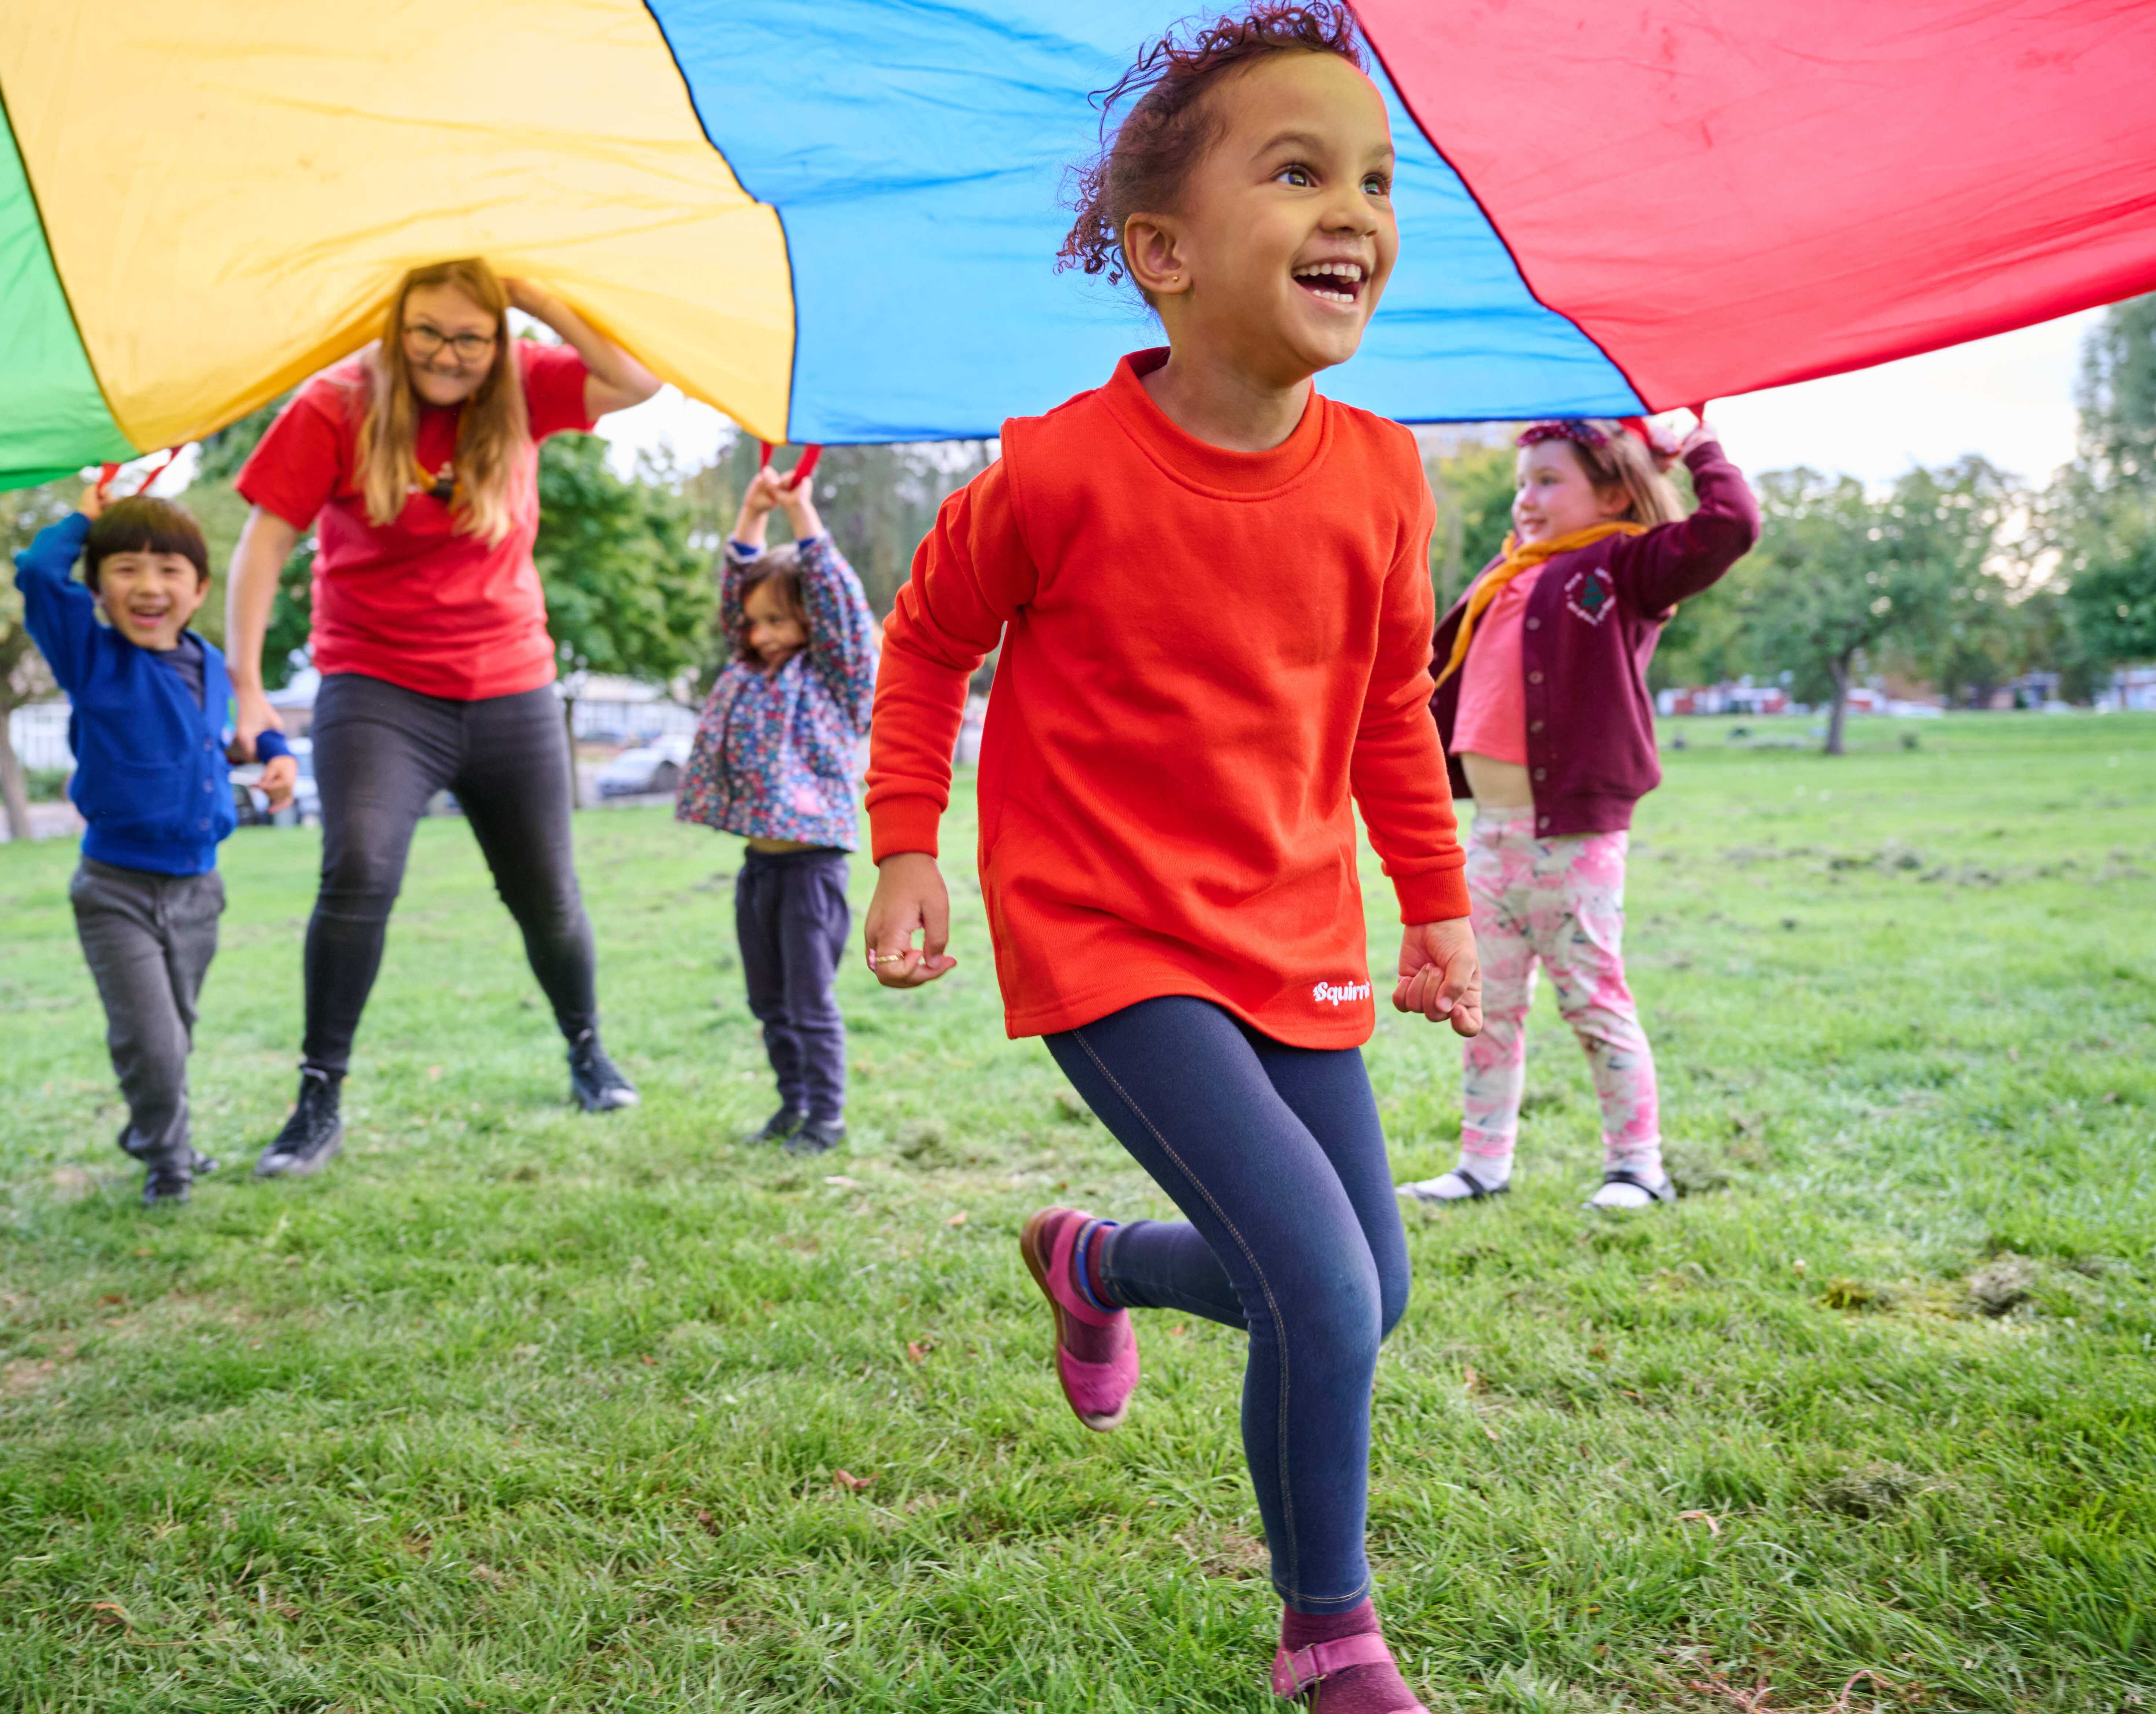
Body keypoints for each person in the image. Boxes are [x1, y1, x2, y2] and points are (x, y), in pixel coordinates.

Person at [861, 5, 1475, 1705]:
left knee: (1368, 1284)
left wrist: (1434, 903)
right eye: (1297, 172)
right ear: (1165, 252)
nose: (1354, 208)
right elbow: (923, 646)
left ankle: (1097, 1258)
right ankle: (1328, 1635)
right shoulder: (1056, 473)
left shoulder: (1386, 477)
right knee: (1323, 1284)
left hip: (1291, 928)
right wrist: (906, 847)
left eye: (1376, 178)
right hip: (1105, 928)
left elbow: (1383, 717)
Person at [225, 259, 662, 1177]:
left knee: (546, 895)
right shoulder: (335, 404)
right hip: (377, 687)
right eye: (427, 331)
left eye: (471, 334)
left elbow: (636, 378)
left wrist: (536, 299)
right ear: (396, 325)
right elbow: (264, 541)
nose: (448, 354)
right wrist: (248, 687)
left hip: (511, 684)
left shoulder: (523, 381)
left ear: (496, 337)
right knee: (358, 873)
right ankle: (317, 1101)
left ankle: (588, 1052)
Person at [1398, 419, 1757, 1210]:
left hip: (1576, 841)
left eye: (1547, 481)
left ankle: (1637, 1168)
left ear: (1612, 492)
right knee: (1481, 1009)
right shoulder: (1509, 573)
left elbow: (1729, 526)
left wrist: (1691, 448)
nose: (1526, 499)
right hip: (1489, 840)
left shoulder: (1623, 567)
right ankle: (1481, 1164)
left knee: (1593, 1003)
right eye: (1522, 482)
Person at [15, 483, 297, 1205]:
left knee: (175, 1031)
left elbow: (246, 726)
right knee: (152, 1039)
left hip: (200, 888)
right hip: (116, 889)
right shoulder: (90, 656)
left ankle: (154, 1133)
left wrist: (274, 752)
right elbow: (39, 571)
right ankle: (167, 1163)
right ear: (99, 589)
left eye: (169, 571)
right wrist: (88, 514)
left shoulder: (211, 666)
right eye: (126, 569)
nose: (148, 587)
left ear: (200, 589)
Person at [675, 465, 878, 1155]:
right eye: (755, 623)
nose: (760, 634)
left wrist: (802, 518)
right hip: (758, 867)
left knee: (809, 1002)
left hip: (812, 872)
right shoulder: (749, 666)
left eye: (778, 620)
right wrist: (750, 515)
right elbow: (736, 598)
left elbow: (839, 604)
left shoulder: (835, 675)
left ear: (810, 621)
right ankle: (790, 1108)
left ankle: (827, 1118)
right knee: (769, 1002)